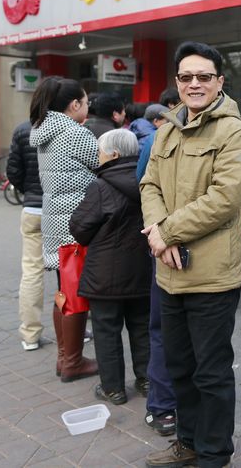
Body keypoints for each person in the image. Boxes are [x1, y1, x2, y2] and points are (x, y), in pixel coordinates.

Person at [140, 41, 241, 468]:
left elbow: (224, 199)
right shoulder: (167, 128)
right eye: (186, 77)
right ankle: (187, 443)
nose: (194, 84)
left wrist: (165, 232)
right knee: (178, 367)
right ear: (177, 82)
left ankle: (213, 454)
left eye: (204, 76)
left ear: (219, 82)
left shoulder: (232, 131)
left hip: (210, 274)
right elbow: (149, 184)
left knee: (211, 373)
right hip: (168, 271)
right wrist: (159, 233)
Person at [69, 129, 151, 406]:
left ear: (114, 155)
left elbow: (80, 228)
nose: (97, 157)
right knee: (142, 328)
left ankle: (113, 388)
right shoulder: (148, 180)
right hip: (143, 270)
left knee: (106, 330)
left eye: (100, 152)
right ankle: (147, 380)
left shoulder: (100, 187)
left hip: (104, 275)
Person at [29, 76, 100, 382]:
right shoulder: (75, 133)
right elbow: (105, 166)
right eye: (85, 102)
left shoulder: (43, 131)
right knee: (74, 294)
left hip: (56, 222)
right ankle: (72, 361)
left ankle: (64, 358)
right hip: (78, 225)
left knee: (64, 290)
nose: (87, 107)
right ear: (74, 105)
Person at [135, 90, 180, 437]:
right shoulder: (235, 133)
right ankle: (188, 408)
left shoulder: (154, 138)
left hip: (164, 247)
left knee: (163, 328)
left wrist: (161, 233)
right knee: (202, 334)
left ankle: (164, 407)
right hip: (206, 249)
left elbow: (143, 185)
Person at [7, 119, 46, 351]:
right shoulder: (70, 128)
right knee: (67, 270)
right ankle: (74, 330)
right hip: (62, 210)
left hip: (32, 208)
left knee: (32, 271)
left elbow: (13, 170)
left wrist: (29, 191)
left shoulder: (22, 129)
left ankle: (30, 334)